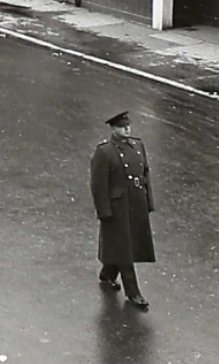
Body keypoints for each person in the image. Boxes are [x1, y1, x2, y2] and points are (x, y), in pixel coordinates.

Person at [91, 111, 154, 310]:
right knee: (125, 249)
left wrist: (148, 202)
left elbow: (145, 175)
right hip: (117, 207)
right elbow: (98, 184)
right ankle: (133, 293)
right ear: (113, 129)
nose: (126, 129)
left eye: (128, 126)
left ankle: (108, 273)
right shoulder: (105, 152)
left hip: (136, 204)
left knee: (125, 245)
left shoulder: (138, 146)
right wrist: (104, 210)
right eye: (121, 127)